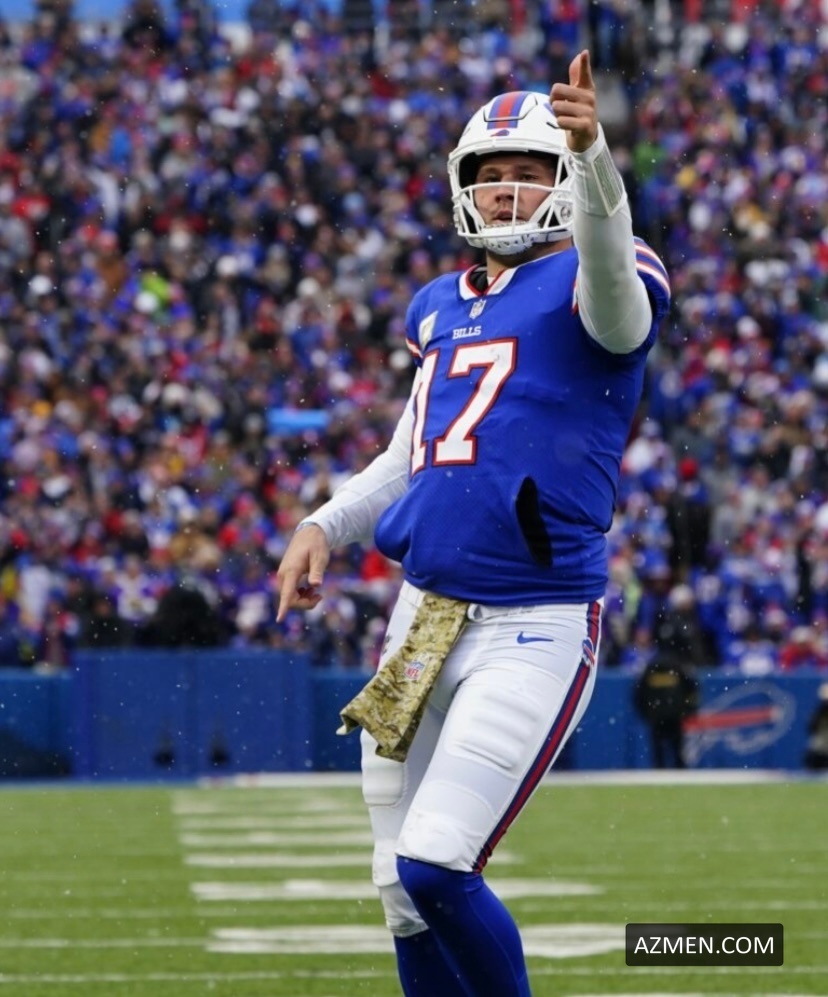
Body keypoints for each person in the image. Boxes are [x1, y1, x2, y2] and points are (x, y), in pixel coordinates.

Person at [277, 50, 670, 997]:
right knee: (399, 888)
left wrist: (597, 162)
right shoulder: (441, 307)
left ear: (565, 180)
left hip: (533, 619)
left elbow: (613, 287)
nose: (504, 190)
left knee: (437, 864)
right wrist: (324, 522)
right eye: (490, 174)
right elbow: (412, 453)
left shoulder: (598, 277)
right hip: (421, 618)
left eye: (529, 171)